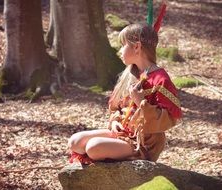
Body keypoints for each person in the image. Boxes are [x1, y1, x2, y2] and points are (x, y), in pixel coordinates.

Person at [68, 23, 182, 164]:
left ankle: (133, 156)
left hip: (143, 142)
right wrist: (115, 121)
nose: (120, 51)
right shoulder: (129, 75)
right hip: (123, 133)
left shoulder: (160, 79)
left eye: (123, 45)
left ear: (137, 47)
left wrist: (141, 102)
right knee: (75, 141)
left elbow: (169, 119)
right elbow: (116, 108)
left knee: (93, 147)